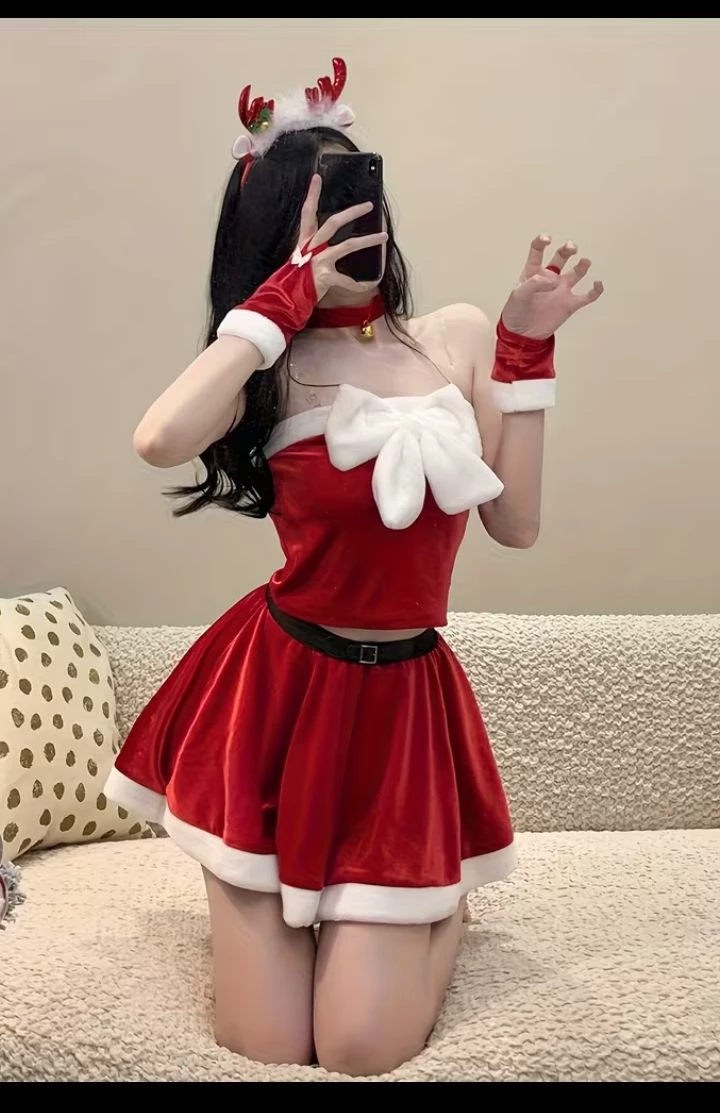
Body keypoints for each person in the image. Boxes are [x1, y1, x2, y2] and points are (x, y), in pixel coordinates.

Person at [105, 58, 603, 1076]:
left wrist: (525, 350)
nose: (355, 219)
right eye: (322, 202)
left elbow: (515, 525)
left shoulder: (455, 337)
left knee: (361, 1047)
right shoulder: (271, 363)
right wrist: (282, 300)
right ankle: (258, 877)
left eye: (361, 190)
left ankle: (437, 907)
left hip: (400, 707)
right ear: (279, 225)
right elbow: (159, 439)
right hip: (275, 699)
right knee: (265, 1044)